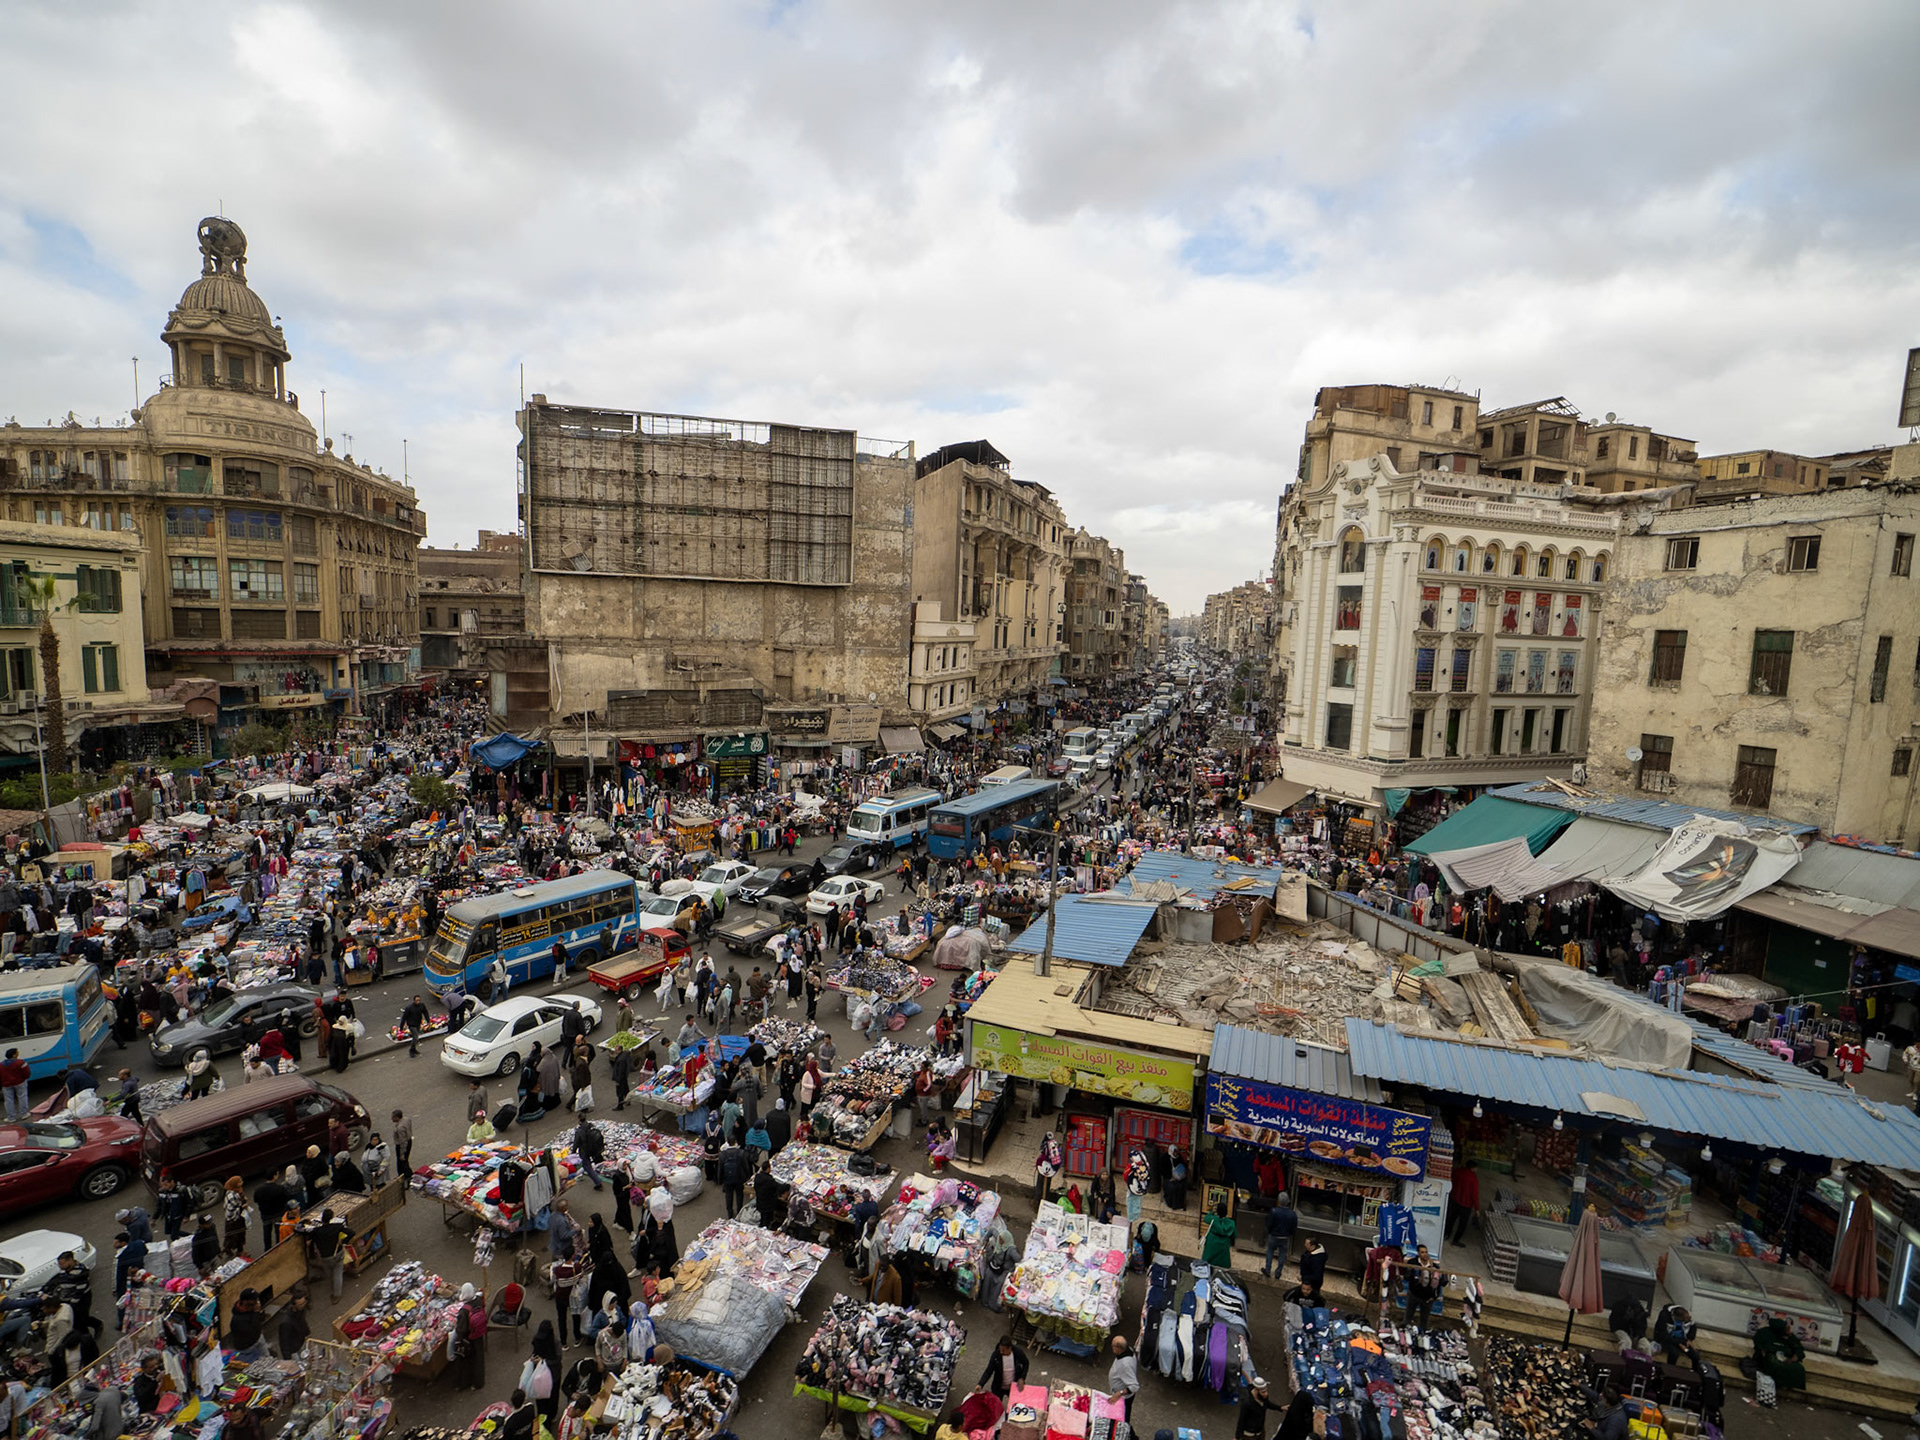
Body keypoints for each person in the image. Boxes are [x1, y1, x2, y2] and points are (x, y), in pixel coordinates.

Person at [310, 1208, 351, 1300]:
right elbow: (351, 1232)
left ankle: (333, 1287)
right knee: (338, 1273)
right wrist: (344, 1242)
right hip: (337, 1253)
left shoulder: (317, 1231)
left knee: (329, 1273)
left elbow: (309, 1236)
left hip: (325, 1256)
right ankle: (337, 1294)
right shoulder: (337, 1227)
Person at [453, 1282, 487, 1391]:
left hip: (468, 1338)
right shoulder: (478, 1300)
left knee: (465, 1361)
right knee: (479, 1358)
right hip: (478, 1333)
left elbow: (461, 1329)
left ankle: (463, 1383)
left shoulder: (464, 1310)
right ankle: (478, 1382)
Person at [977, 1335, 1029, 1399]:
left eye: (1004, 1350)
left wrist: (1022, 1378)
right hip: (998, 1387)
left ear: (1010, 1348)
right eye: (1000, 1349)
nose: (1001, 1352)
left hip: (1014, 1386)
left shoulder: (1018, 1353)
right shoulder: (996, 1355)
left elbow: (1026, 1363)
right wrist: (981, 1384)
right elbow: (988, 1371)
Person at [1263, 1195, 1298, 1280]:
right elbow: (1294, 1227)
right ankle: (1278, 1273)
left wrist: (1270, 1231)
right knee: (1282, 1254)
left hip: (1274, 1236)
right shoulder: (1292, 1214)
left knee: (1270, 1252)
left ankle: (1267, 1270)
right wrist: (1289, 1234)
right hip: (1285, 1237)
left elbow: (1269, 1224)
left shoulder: (1274, 1211)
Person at [1107, 1336, 1140, 1422]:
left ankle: (1131, 1435)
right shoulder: (1128, 1350)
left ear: (1119, 1348)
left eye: (1113, 1346)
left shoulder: (1125, 1365)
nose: (1112, 1348)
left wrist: (1119, 1393)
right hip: (1121, 1395)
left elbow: (1134, 1386)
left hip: (1124, 1398)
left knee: (1123, 1419)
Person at [277, 1289, 311, 1358]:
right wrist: (288, 1359)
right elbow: (284, 1343)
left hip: (301, 1342)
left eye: (304, 1302)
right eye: (301, 1304)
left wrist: (307, 1333)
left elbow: (302, 1321)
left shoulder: (300, 1310)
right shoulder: (286, 1323)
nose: (303, 1305)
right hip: (293, 1350)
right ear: (293, 1305)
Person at [1201, 1201, 1237, 1267]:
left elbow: (1206, 1218)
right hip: (1223, 1246)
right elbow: (1234, 1235)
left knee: (1208, 1263)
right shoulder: (1231, 1223)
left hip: (1211, 1245)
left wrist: (1212, 1211)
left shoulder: (1213, 1220)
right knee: (1222, 1262)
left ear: (1217, 1211)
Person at [1035, 1132, 1063, 1205]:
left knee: (1041, 1185)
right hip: (1048, 1168)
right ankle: (1041, 1200)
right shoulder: (1054, 1147)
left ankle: (1039, 1201)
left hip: (1047, 1168)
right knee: (1044, 1185)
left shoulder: (1047, 1146)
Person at [392, 1109, 413, 1176]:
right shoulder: (407, 1119)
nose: (392, 1119)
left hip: (403, 1145)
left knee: (402, 1162)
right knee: (404, 1161)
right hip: (409, 1140)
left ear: (397, 1117)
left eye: (393, 1117)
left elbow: (403, 1142)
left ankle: (407, 1175)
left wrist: (402, 1153)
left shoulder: (400, 1128)